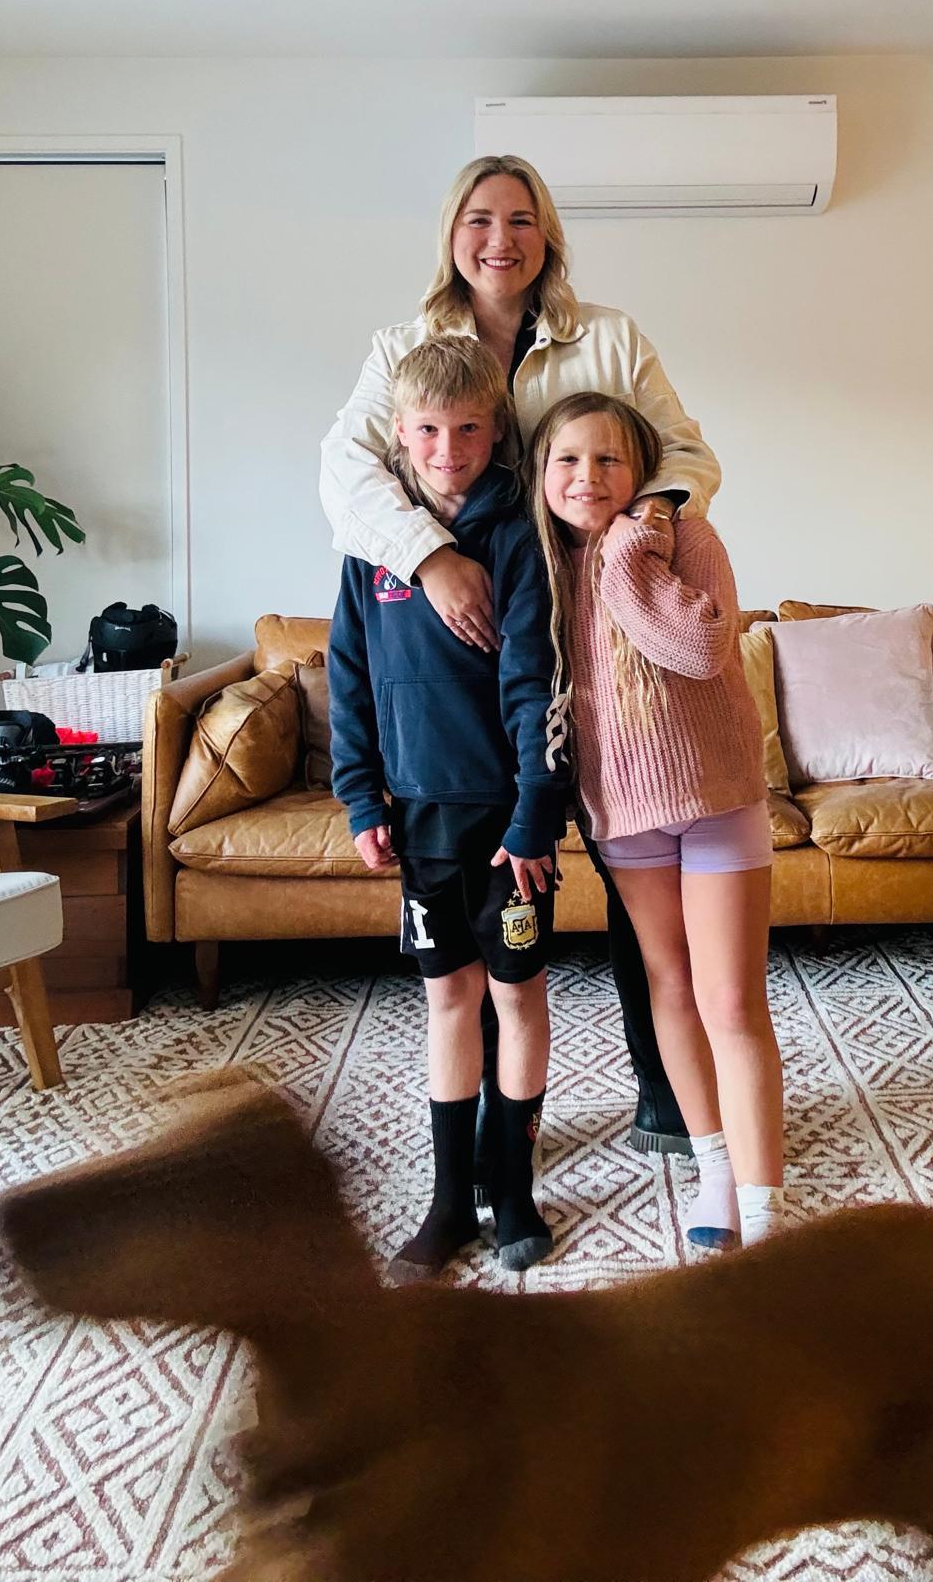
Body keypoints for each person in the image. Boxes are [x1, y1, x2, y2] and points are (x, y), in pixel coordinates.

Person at [320, 153, 720, 1153]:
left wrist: (638, 528)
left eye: (521, 219)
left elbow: (682, 453)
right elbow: (343, 473)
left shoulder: (609, 339)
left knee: (634, 870)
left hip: (603, 631)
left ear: (547, 235)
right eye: (479, 218)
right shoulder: (402, 348)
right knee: (492, 926)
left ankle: (665, 1092)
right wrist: (432, 560)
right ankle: (499, 1135)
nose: (499, 239)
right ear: (451, 234)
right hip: (477, 644)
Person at [327, 337, 568, 1282]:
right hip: (419, 817)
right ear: (398, 432)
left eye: (468, 430)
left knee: (516, 994)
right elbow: (347, 678)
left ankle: (512, 1187)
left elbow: (535, 681)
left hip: (508, 823)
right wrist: (360, 798)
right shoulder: (372, 546)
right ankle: (448, 1201)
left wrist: (535, 811)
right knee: (448, 998)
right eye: (428, 430)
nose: (447, 450)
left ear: (496, 431)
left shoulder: (517, 534)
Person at [528, 391, 784, 1248]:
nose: (587, 476)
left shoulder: (684, 539)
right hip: (622, 810)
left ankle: (764, 1214)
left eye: (608, 459)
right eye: (567, 459)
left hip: (716, 800)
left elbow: (700, 649)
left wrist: (628, 549)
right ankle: (714, 1170)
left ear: (642, 472)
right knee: (669, 987)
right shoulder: (539, 560)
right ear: (540, 472)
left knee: (730, 1003)